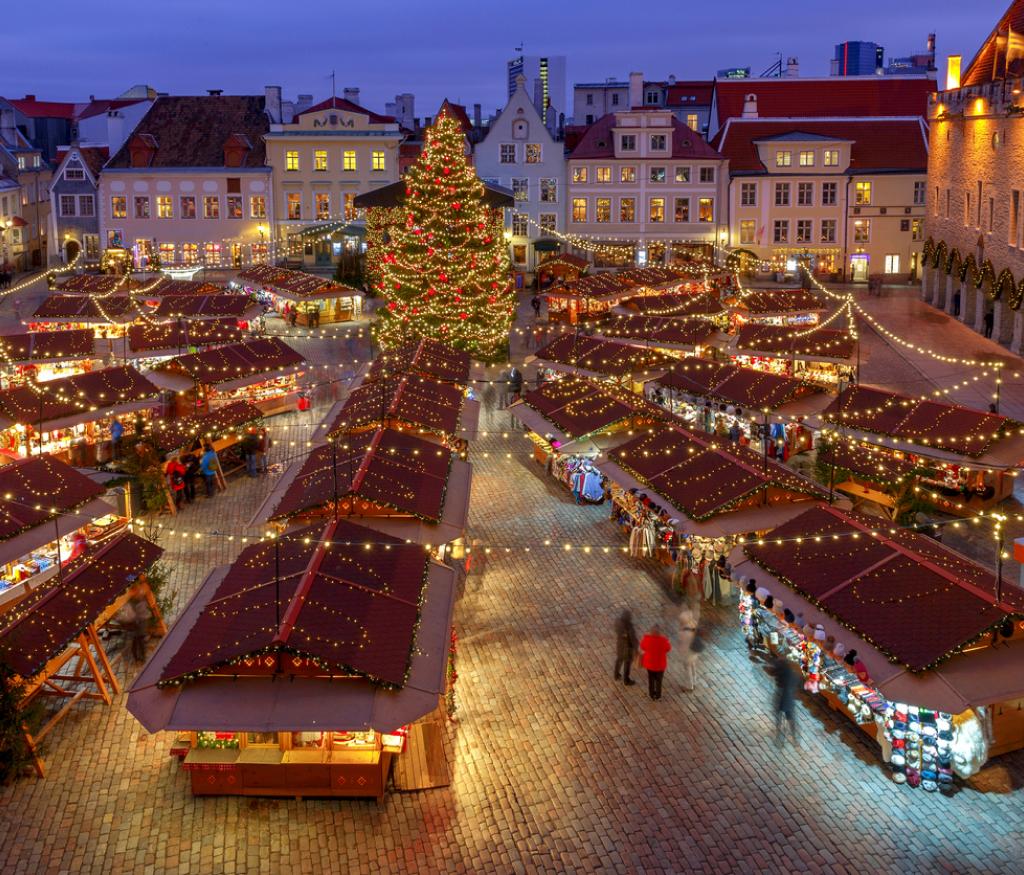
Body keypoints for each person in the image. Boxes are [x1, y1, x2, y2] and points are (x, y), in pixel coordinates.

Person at [768, 654, 799, 745]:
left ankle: (779, 737)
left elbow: (771, 671)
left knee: (779, 717)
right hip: (788, 696)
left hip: (781, 695)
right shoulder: (791, 672)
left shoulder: (780, 668)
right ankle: (794, 738)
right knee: (790, 717)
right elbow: (796, 681)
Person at [639, 625, 671, 701]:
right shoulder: (663, 640)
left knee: (651, 679)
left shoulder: (647, 639)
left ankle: (651, 694)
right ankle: (658, 696)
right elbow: (668, 648)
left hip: (650, 665)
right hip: (660, 665)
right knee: (659, 681)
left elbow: (642, 646)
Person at [677, 604, 700, 692]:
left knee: (687, 668)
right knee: (693, 665)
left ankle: (689, 685)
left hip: (687, 653)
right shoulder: (693, 624)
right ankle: (694, 681)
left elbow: (682, 644)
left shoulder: (683, 632)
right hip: (694, 651)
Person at [613, 609, 638, 686]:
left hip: (620, 645)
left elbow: (616, 630)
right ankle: (626, 680)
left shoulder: (617, 622)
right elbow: (633, 639)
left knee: (619, 660)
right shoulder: (629, 627)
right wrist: (636, 647)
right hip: (628, 648)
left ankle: (616, 675)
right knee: (627, 664)